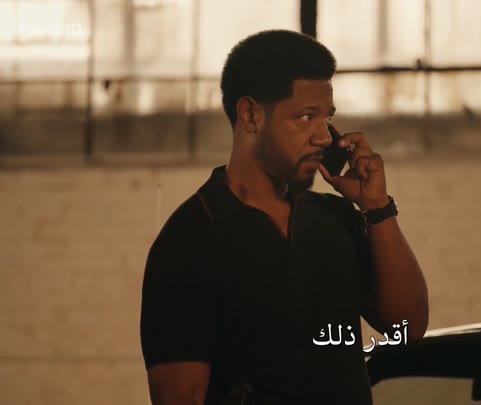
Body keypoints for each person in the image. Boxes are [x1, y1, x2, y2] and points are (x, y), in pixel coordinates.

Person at [140, 30, 429, 405]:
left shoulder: (335, 220)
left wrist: (377, 208)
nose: (324, 137)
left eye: (327, 118)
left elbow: (408, 328)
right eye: (306, 117)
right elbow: (181, 397)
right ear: (250, 115)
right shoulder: (189, 240)